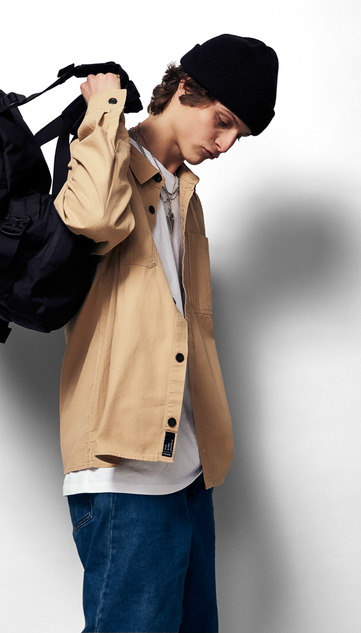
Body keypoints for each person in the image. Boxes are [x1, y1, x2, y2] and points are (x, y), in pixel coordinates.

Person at [54, 34, 279, 633]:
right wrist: (104, 107)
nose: (224, 145)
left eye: (238, 136)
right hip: (123, 467)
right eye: (222, 121)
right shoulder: (107, 155)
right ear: (185, 89)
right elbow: (92, 219)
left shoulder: (186, 195)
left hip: (187, 468)